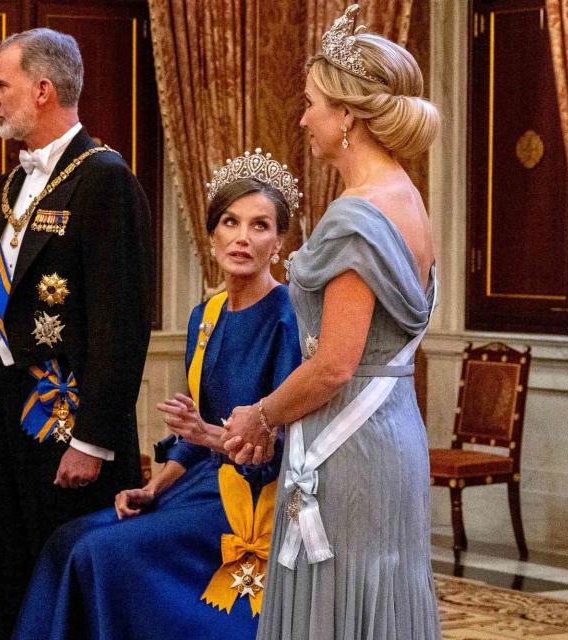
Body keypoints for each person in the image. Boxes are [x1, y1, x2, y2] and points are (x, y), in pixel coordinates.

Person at [12, 154, 304, 640]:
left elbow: (279, 450)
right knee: (68, 540)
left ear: (279, 243)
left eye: (260, 226)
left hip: (253, 500)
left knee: (101, 554)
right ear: (211, 236)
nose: (242, 238)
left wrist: (207, 435)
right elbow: (192, 437)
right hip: (199, 485)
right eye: (230, 222)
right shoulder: (205, 316)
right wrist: (153, 488)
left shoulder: (287, 317)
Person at [222, 5, 443, 639]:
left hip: (349, 445)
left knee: (342, 604)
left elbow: (336, 364)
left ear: (347, 115)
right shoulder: (408, 196)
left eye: (312, 102)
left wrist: (261, 415)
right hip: (392, 430)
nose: (303, 117)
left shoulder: (357, 215)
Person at [0, 28, 154, 638]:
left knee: (73, 590)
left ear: (43, 89)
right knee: (18, 582)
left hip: (70, 425)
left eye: (2, 84)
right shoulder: (10, 185)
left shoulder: (103, 179)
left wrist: (94, 440)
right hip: (11, 416)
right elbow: (1, 323)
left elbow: (120, 323)